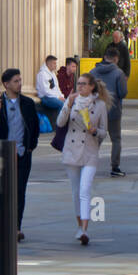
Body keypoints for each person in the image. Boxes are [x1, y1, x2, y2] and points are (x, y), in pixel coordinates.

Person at [0, 68, 40, 239]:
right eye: (16, 81)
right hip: (3, 154)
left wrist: (30, 146)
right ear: (6, 84)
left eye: (20, 80)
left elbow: (34, 127)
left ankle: (16, 227)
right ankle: (2, 225)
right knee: (2, 191)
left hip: (22, 153)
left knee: (20, 191)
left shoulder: (28, 103)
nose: (19, 84)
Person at [57, 72, 110, 245]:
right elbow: (60, 122)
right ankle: (79, 226)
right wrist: (68, 105)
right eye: (78, 83)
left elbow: (104, 132)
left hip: (90, 150)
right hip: (71, 149)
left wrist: (95, 131)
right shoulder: (72, 100)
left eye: (84, 84)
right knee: (76, 192)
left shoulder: (100, 105)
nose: (80, 86)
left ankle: (85, 230)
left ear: (91, 86)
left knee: (85, 189)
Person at [91, 47, 128, 176]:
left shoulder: (92, 72)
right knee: (116, 139)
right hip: (113, 110)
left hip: (95, 111)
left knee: (95, 139)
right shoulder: (119, 73)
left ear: (105, 57)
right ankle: (115, 167)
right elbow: (123, 93)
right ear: (116, 59)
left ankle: (88, 163)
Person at [35, 55, 65, 130]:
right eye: (54, 63)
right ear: (49, 63)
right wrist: (58, 97)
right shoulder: (42, 74)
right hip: (45, 98)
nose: (56, 65)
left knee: (67, 103)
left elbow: (57, 88)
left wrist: (61, 96)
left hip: (53, 97)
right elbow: (45, 91)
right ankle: (58, 126)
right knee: (61, 104)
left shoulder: (52, 74)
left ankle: (64, 125)